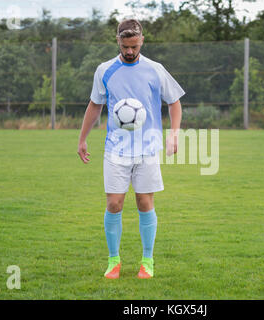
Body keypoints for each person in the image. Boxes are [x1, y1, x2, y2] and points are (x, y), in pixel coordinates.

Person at [77, 19, 185, 279]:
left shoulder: (155, 69)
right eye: (125, 46)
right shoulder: (104, 70)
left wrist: (173, 134)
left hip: (147, 150)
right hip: (115, 149)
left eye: (134, 46)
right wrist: (82, 139)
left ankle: (147, 261)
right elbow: (95, 105)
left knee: (145, 202)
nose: (129, 52)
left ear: (142, 41)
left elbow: (175, 102)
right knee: (114, 203)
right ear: (118, 41)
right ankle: (113, 261)